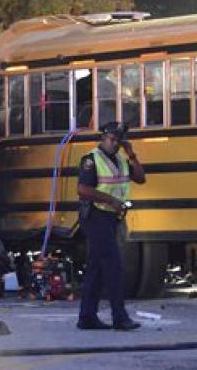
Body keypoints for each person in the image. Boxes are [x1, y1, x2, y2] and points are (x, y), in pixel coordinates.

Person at [76, 122, 146, 331]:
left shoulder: (121, 160)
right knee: (113, 266)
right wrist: (110, 200)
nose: (114, 144)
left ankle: (87, 317)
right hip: (96, 216)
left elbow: (141, 178)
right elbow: (83, 189)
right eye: (111, 139)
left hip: (112, 219)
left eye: (118, 141)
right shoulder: (91, 159)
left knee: (96, 269)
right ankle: (120, 317)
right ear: (103, 138)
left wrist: (132, 154)